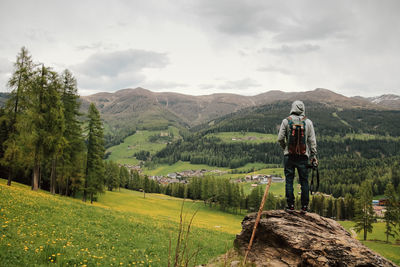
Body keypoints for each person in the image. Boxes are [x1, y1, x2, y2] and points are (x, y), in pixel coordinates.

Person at [277, 100, 317, 212]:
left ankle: (290, 206)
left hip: (289, 156)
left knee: (289, 180)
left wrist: (285, 148)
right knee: (304, 181)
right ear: (303, 109)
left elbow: (280, 138)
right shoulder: (308, 122)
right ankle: (304, 207)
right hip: (303, 156)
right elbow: (312, 141)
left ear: (292, 108)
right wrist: (313, 155)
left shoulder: (286, 121)